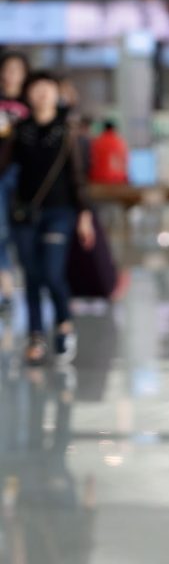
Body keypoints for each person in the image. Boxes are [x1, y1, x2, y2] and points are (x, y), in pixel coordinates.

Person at [0, 70, 95, 366]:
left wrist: (84, 214)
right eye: (36, 88)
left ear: (57, 94)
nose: (42, 93)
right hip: (24, 213)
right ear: (28, 95)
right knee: (32, 275)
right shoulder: (19, 130)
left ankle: (64, 324)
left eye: (48, 88)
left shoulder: (68, 131)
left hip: (60, 212)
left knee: (52, 273)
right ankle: (36, 336)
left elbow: (78, 177)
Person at [0, 51, 30, 313]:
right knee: (1, 232)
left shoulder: (32, 102)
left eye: (16, 70)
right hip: (1, 176)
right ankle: (7, 290)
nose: (10, 75)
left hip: (27, 177)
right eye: (7, 69)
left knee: (24, 233)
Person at [89, 120, 128, 184]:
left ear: (104, 129)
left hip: (99, 178)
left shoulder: (97, 142)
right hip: (118, 178)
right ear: (114, 129)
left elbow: (92, 161)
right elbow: (125, 162)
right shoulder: (121, 143)